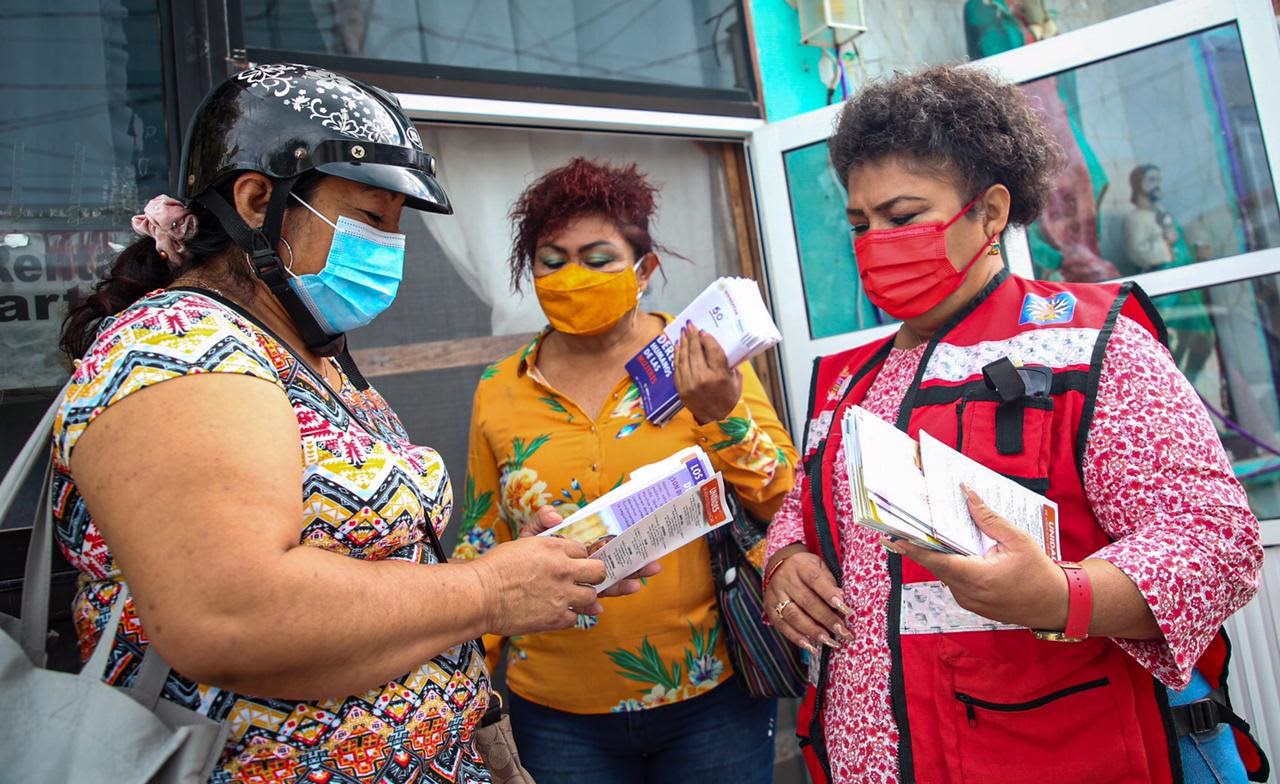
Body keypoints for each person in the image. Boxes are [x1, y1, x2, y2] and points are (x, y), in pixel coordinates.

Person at [53, 64, 648, 784]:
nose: (391, 247)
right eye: (370, 218)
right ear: (254, 200)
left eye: (397, 227)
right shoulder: (176, 344)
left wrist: (531, 568)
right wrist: (488, 592)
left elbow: (374, 575)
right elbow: (230, 614)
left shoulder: (314, 358)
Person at [761, 65, 1264, 783]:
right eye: (858, 223)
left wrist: (1063, 596)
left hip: (1048, 750)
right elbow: (805, 509)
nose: (875, 241)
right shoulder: (849, 380)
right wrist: (787, 562)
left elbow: (1217, 542)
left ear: (990, 214)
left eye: (902, 217)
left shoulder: (1090, 345)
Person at [453, 157, 799, 783]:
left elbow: (784, 502)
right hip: (554, 708)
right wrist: (468, 680)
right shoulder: (498, 389)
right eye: (551, 260)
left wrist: (723, 415)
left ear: (645, 269)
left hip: (710, 694)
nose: (572, 276)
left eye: (598, 257)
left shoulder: (698, 357)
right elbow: (484, 539)